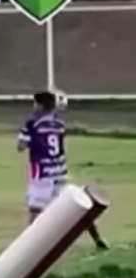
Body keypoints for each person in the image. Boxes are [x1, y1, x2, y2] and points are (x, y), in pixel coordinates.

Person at [19, 91, 107, 249]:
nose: (33, 106)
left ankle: (26, 248)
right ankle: (98, 239)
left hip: (42, 173)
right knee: (77, 207)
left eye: (35, 103)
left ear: (40, 105)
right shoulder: (60, 124)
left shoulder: (32, 124)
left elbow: (21, 146)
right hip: (59, 171)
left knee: (35, 210)